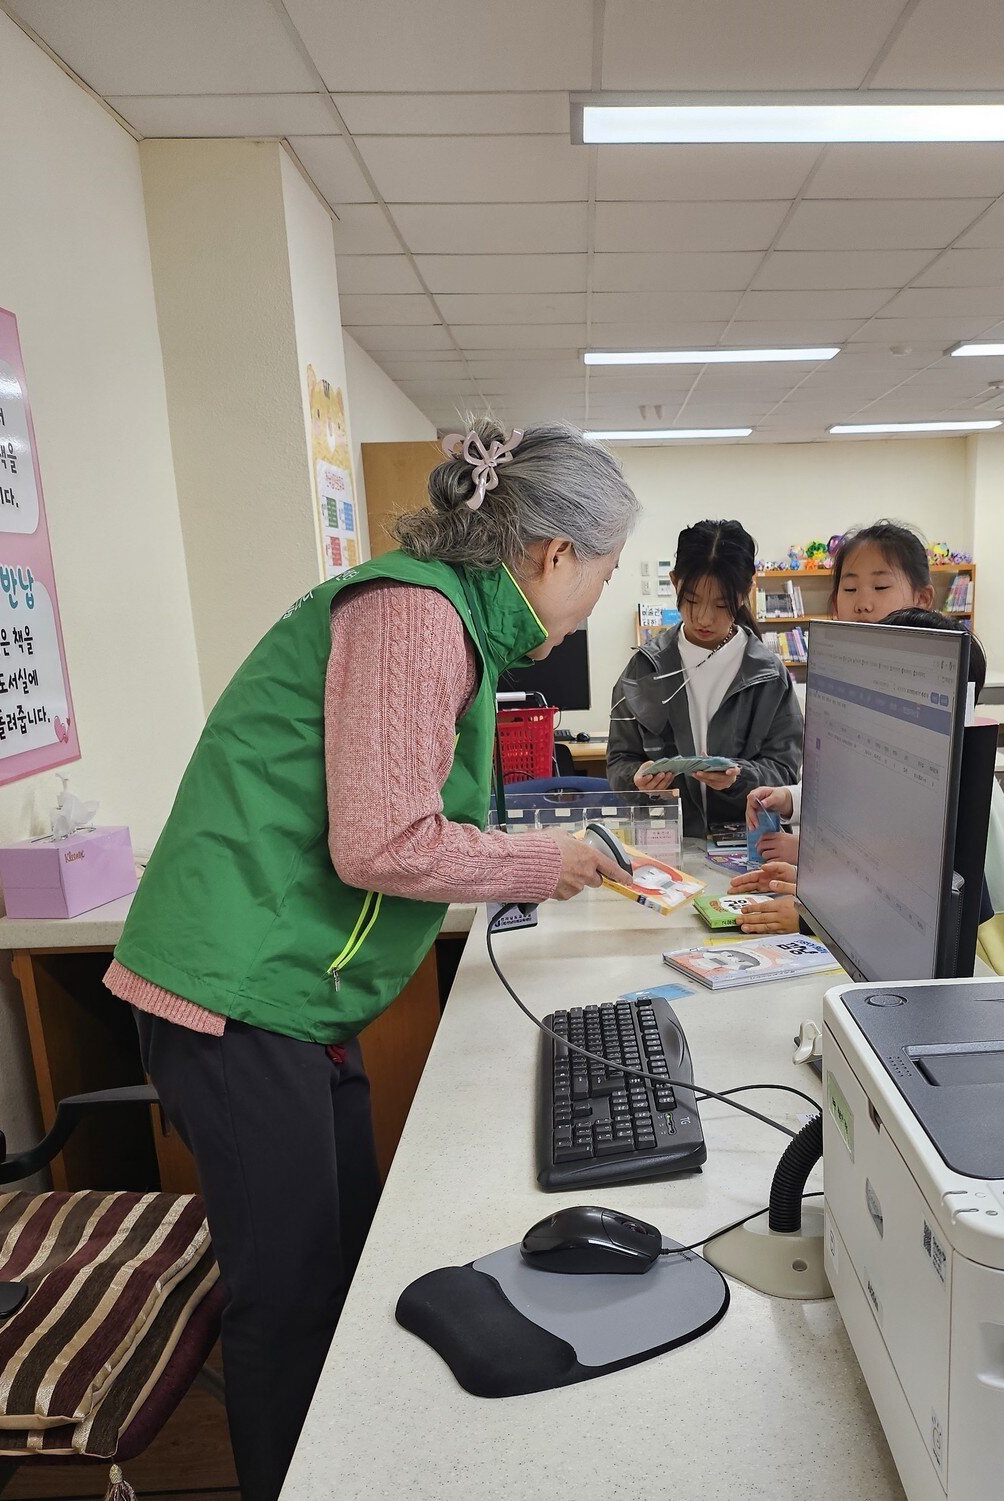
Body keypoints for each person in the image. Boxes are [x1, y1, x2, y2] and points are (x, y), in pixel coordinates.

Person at [104, 421, 638, 1501]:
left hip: (289, 1000)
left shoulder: (449, 620)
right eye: (606, 572)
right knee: (288, 1298)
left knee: (342, 1267)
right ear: (552, 557)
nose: (596, 600)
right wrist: (541, 861)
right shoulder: (414, 613)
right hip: (234, 998)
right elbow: (383, 840)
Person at [734, 607, 1004, 977]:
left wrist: (817, 910)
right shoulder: (923, 763)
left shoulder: (955, 789)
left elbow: (908, 902)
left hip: (995, 970)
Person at [607, 518, 803, 838]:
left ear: (744, 594)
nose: (703, 617)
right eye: (693, 600)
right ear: (674, 582)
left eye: (721, 604)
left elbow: (784, 772)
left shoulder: (767, 676)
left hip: (745, 846)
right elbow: (619, 763)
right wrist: (636, 779)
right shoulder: (644, 668)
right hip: (667, 845)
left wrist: (738, 778)